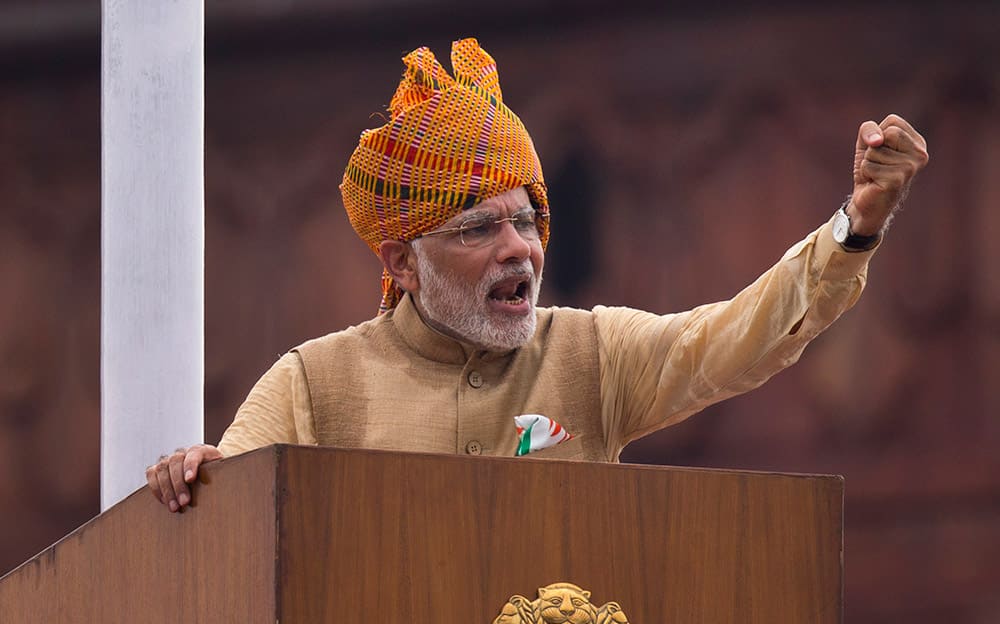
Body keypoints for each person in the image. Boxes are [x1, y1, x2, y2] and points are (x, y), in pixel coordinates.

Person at [147, 38, 928, 513]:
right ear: (401, 262)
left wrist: (855, 226)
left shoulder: (594, 354)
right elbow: (232, 508)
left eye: (527, 220)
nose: (518, 247)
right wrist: (199, 479)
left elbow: (743, 336)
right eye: (480, 228)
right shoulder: (312, 385)